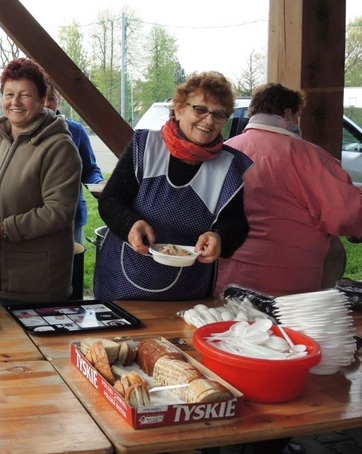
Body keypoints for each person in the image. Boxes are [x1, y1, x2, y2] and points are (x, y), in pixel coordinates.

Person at [94, 71, 252, 301]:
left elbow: (236, 223)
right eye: (200, 109)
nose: (209, 120)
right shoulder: (146, 146)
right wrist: (130, 224)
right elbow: (110, 200)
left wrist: (220, 238)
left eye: (219, 114)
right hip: (123, 278)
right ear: (179, 108)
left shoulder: (228, 165)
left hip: (188, 288)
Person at [216, 82, 362, 295]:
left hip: (225, 281)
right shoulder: (309, 157)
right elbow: (346, 215)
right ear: (288, 113)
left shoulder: (225, 151)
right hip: (289, 289)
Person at [0, 58, 82, 306]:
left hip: (38, 286)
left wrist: (3, 228)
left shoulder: (58, 146)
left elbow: (59, 211)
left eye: (25, 95)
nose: (15, 102)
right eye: (9, 94)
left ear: (42, 100)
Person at [44, 83, 105, 243]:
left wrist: (98, 183)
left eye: (51, 98)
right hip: (36, 216)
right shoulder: (24, 131)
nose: (46, 104)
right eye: (42, 97)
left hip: (72, 215)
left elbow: (90, 169)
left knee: (72, 264)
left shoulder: (76, 131)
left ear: (59, 100)